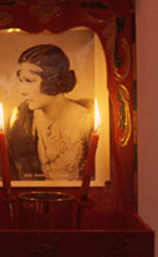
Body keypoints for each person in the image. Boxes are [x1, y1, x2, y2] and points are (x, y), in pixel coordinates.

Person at [7, 44, 94, 181]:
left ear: (52, 79)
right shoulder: (23, 121)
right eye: (21, 81)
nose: (22, 91)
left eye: (29, 81)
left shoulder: (87, 121)